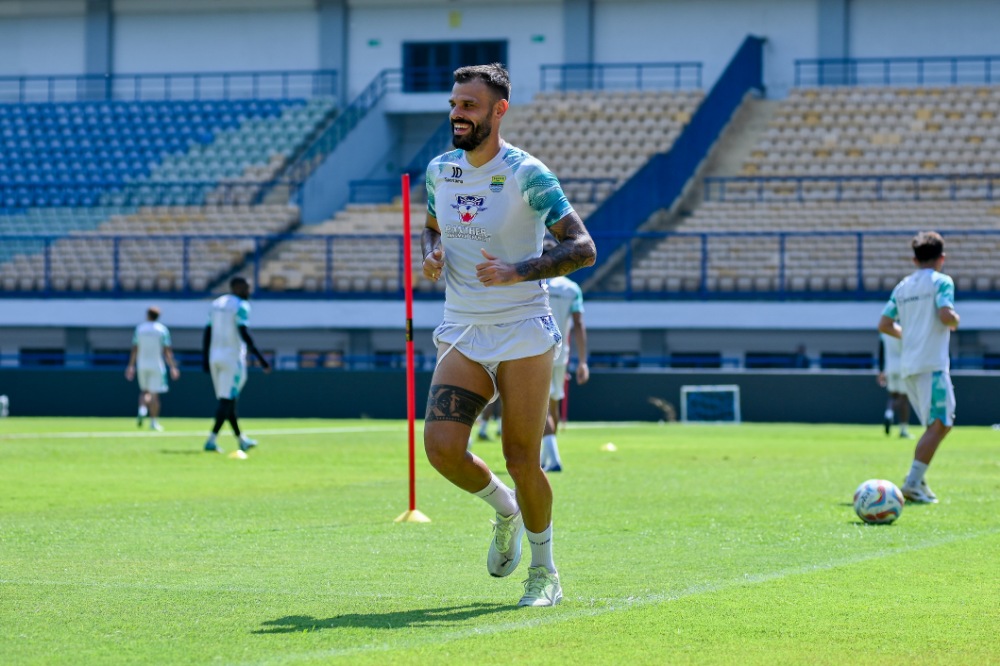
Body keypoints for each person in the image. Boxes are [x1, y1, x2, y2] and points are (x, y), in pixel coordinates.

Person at [421, 63, 596, 607]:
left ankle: (545, 574)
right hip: (464, 327)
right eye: (454, 103)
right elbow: (431, 228)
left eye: (469, 105)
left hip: (523, 327)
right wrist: (430, 255)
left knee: (523, 457)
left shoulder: (528, 173)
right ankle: (506, 511)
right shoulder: (439, 170)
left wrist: (518, 269)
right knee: (442, 449)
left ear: (498, 110)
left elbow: (583, 247)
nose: (457, 113)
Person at [878, 231, 960, 504]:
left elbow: (885, 325)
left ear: (914, 259)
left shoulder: (902, 286)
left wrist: (911, 334)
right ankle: (912, 482)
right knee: (941, 422)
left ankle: (919, 480)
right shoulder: (942, 282)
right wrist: (955, 320)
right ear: (942, 258)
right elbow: (946, 315)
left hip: (909, 365)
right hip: (932, 364)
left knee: (933, 423)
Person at [202, 277, 271, 454]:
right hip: (232, 358)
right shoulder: (241, 305)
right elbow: (244, 332)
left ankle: (241, 440)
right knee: (227, 400)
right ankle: (211, 440)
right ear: (237, 287)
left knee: (228, 400)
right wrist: (261, 358)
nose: (249, 291)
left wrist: (204, 357)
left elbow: (208, 331)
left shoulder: (216, 304)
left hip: (214, 357)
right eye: (247, 288)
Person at [540, 240, 589, 473]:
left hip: (537, 353)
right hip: (562, 356)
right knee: (554, 406)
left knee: (540, 410)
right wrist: (583, 361)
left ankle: (554, 459)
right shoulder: (571, 289)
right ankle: (545, 456)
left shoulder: (536, 284)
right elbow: (579, 323)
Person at [124, 306, 180, 432]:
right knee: (155, 395)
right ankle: (153, 422)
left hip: (142, 364)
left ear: (148, 315)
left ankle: (142, 408)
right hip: (156, 365)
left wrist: (131, 366)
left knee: (144, 391)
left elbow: (134, 349)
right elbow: (167, 352)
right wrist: (173, 367)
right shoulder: (162, 330)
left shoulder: (140, 329)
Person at [877, 329, 912, 439]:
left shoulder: (885, 331)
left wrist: (881, 370)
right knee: (903, 399)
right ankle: (903, 429)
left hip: (890, 367)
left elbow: (881, 352)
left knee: (893, 396)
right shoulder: (905, 329)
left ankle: (889, 412)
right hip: (903, 367)